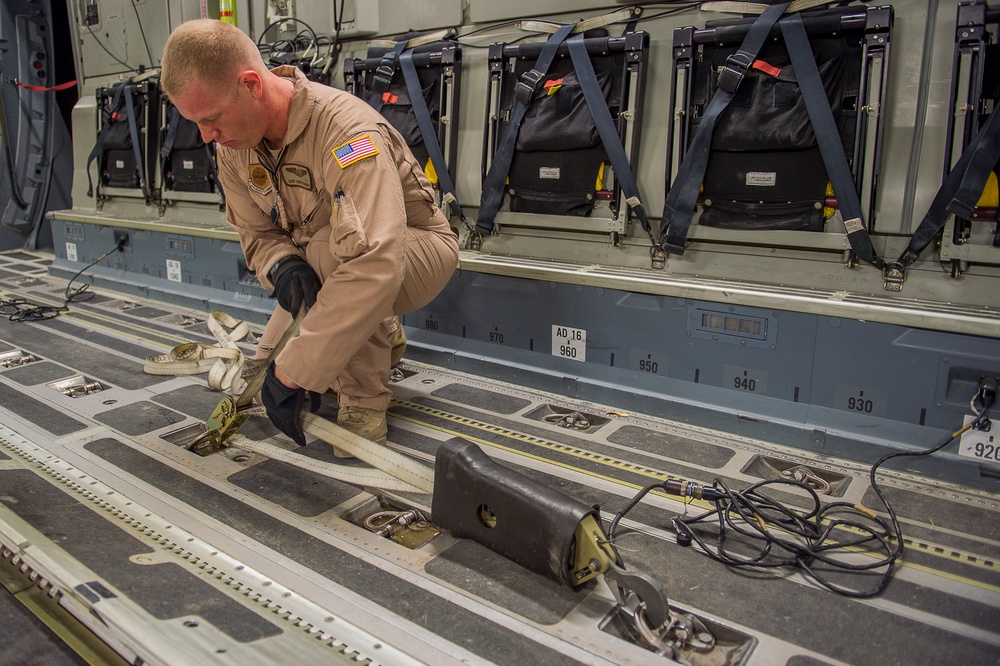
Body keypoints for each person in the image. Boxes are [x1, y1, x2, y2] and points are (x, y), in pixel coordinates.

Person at [160, 19, 459, 452]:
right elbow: (255, 232)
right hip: (330, 255)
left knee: (310, 312)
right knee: (264, 364)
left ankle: (363, 402)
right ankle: (380, 330)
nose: (207, 136)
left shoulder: (345, 132)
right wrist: (282, 265)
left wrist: (294, 372)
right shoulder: (233, 150)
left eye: (211, 119)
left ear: (250, 85)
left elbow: (375, 259)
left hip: (415, 249)